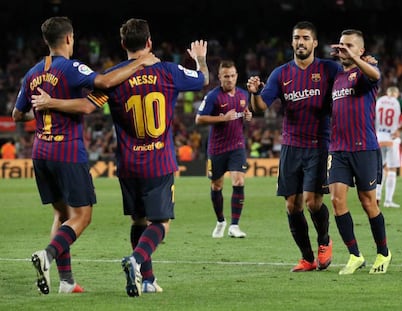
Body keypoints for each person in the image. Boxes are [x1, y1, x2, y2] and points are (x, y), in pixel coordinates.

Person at [31, 18, 209, 297]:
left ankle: (148, 280)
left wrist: (51, 102)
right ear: (149, 43)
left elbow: (86, 107)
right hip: (159, 161)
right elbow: (203, 79)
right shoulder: (169, 72)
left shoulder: (113, 78)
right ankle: (136, 261)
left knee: (138, 221)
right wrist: (200, 60)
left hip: (128, 164)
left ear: (124, 44)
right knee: (161, 223)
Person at [12, 16, 157, 295]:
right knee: (82, 216)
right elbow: (102, 81)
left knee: (62, 213)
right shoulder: (70, 67)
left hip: (40, 152)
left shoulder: (31, 74)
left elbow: (17, 114)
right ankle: (47, 255)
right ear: (68, 38)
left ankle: (66, 282)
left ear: (47, 41)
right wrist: (140, 62)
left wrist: (43, 105)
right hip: (66, 151)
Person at [246, 21, 338, 271]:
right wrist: (254, 93)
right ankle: (307, 258)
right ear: (292, 42)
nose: (301, 42)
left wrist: (364, 63)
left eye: (306, 38)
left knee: (312, 201)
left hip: (319, 144)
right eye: (297, 38)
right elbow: (260, 108)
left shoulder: (330, 69)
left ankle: (324, 242)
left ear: (314, 43)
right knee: (292, 205)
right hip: (290, 145)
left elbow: (352, 81)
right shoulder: (281, 74)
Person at [328, 29, 392, 274]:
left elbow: (375, 75)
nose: (343, 49)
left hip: (364, 147)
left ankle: (384, 253)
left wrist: (357, 60)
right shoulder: (336, 77)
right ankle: (355, 255)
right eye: (341, 45)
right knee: (336, 200)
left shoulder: (365, 71)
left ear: (361, 50)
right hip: (338, 149)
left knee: (368, 203)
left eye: (350, 45)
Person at [196, 60, 252, 238]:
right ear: (220, 77)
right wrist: (222, 119)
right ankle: (221, 221)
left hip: (237, 145)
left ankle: (235, 225)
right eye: (226, 76)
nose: (230, 79)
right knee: (216, 185)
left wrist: (248, 115)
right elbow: (199, 119)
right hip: (217, 148)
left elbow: (245, 113)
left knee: (238, 181)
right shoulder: (213, 96)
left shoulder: (244, 95)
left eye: (233, 76)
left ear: (237, 76)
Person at [375, 86, 402, 208]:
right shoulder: (399, 102)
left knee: (380, 169)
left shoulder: (379, 100)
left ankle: (377, 196)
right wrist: (399, 129)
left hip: (378, 137)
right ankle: (388, 201)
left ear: (387, 93)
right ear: (396, 94)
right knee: (391, 170)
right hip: (392, 138)